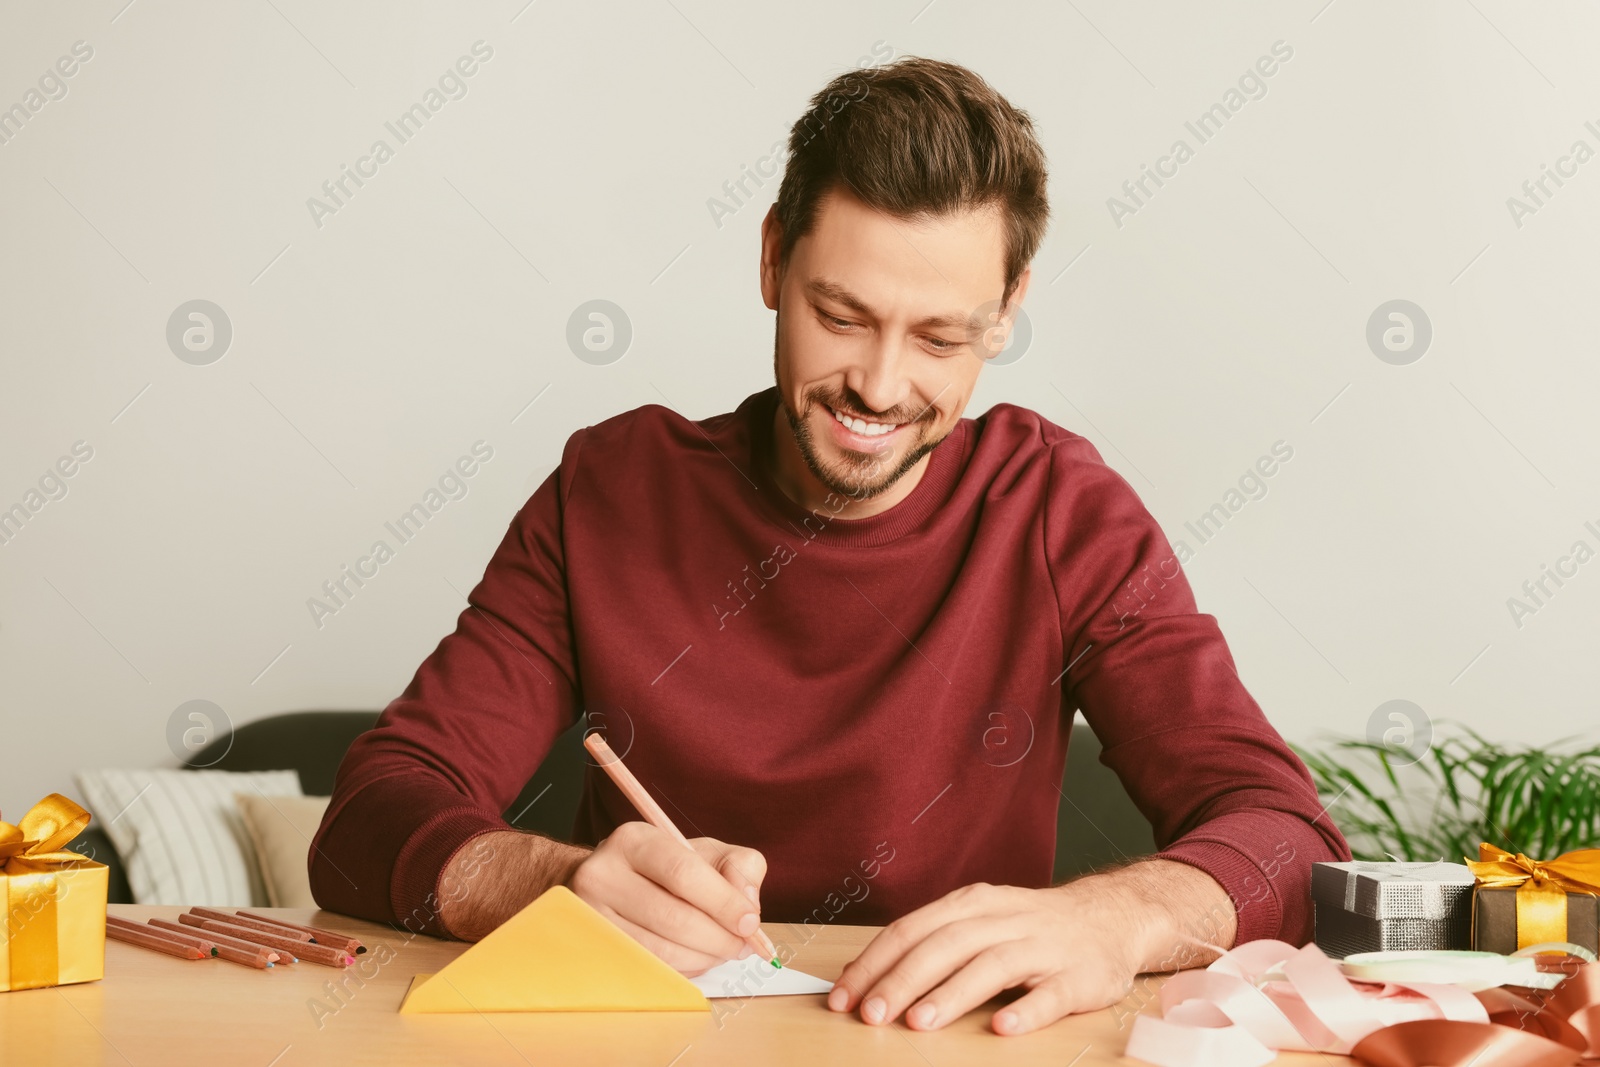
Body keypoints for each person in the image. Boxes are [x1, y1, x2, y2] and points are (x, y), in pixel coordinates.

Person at [309, 55, 1350, 1036]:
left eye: (941, 338)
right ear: (771, 257)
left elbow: (1291, 839)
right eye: (841, 315)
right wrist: (552, 883)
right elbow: (365, 823)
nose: (881, 386)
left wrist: (1111, 920)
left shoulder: (1061, 510)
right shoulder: (611, 490)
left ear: (1007, 311)